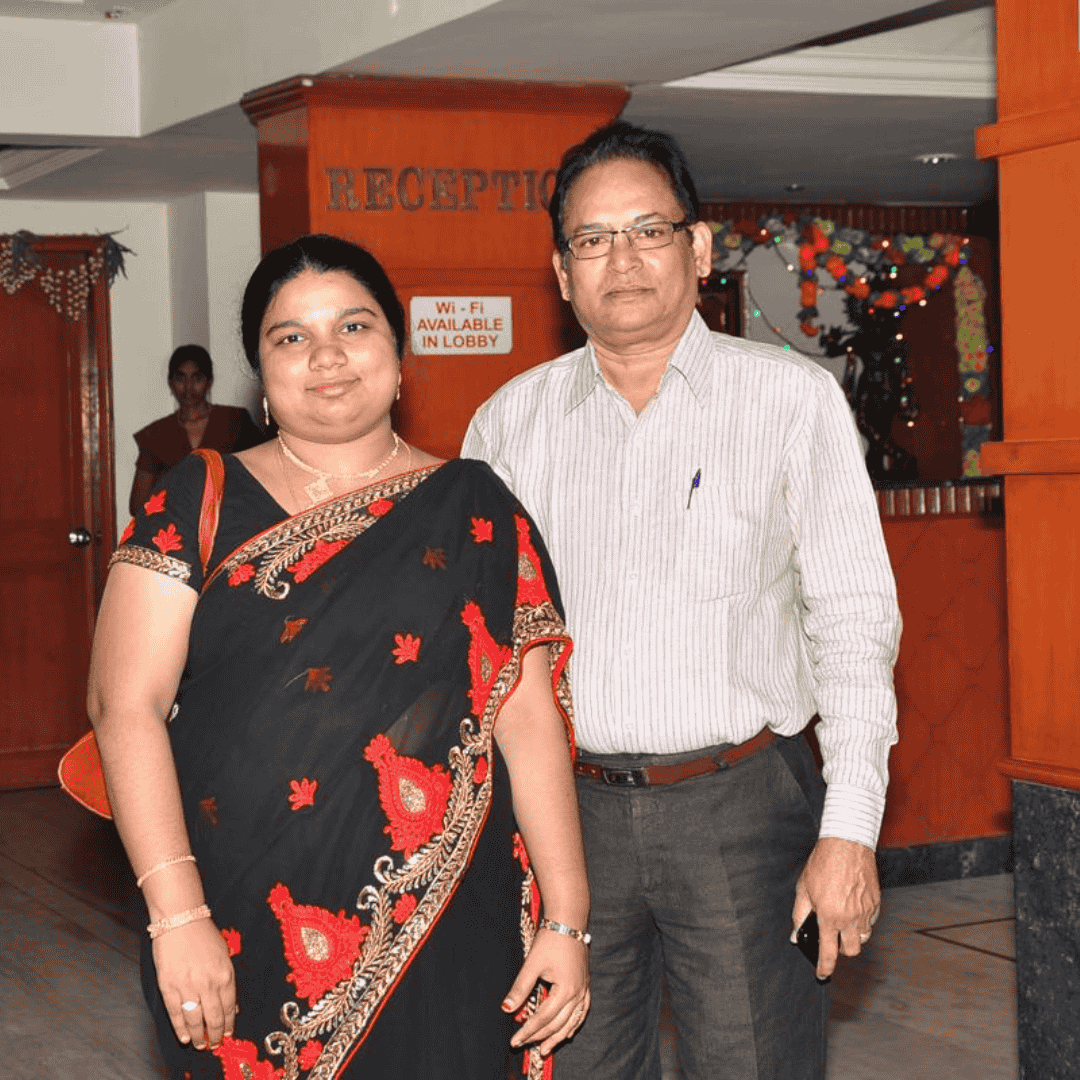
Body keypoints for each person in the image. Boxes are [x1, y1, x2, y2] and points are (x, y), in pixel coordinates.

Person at [89, 234, 589, 1080]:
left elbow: (527, 717)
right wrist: (177, 915)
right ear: (262, 372)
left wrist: (566, 918)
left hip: (445, 912)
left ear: (399, 354)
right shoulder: (198, 498)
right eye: (292, 336)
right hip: (238, 910)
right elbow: (122, 705)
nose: (326, 356)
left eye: (354, 327)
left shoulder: (478, 509)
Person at [462, 122, 901, 1080]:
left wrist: (850, 829)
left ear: (697, 249)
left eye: (648, 231)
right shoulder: (506, 427)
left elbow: (854, 622)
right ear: (561, 271)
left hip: (742, 810)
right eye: (592, 239)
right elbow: (481, 650)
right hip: (566, 819)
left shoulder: (790, 402)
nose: (621, 259)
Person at [128, 344, 265, 516]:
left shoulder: (234, 421)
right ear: (170, 383)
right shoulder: (156, 435)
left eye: (197, 378)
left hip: (230, 520)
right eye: (180, 378)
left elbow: (263, 473)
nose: (188, 387)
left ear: (209, 382)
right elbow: (138, 505)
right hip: (176, 526)